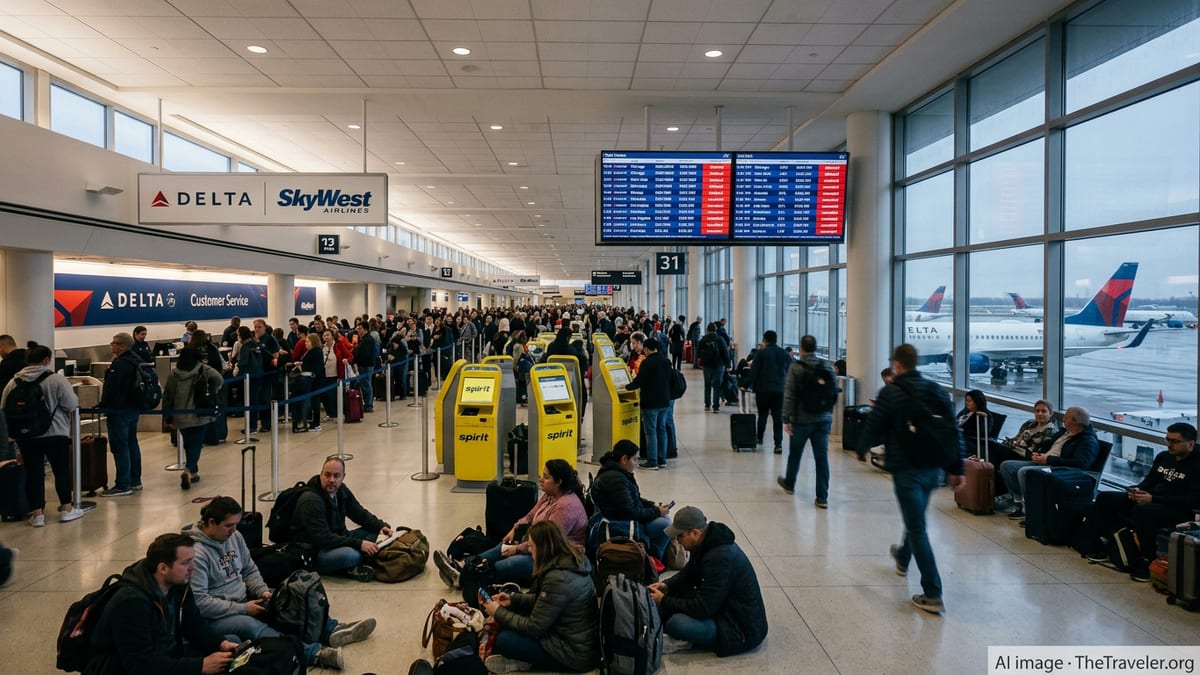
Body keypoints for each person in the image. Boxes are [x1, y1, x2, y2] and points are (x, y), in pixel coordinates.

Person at [185, 497, 375, 670]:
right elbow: (201, 604)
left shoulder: (234, 537)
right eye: (229, 526)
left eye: (236, 524)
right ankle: (313, 653)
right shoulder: (197, 554)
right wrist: (243, 608)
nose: (234, 531)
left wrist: (262, 592)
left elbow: (249, 569)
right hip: (215, 618)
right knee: (251, 626)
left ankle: (330, 629)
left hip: (243, 599)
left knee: (288, 598)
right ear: (211, 523)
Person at [859, 343, 965, 614]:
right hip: (932, 469)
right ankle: (903, 557)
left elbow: (874, 423)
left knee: (917, 526)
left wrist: (862, 448)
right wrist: (957, 468)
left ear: (897, 364)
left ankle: (933, 592)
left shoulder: (891, 392)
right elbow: (953, 430)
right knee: (915, 517)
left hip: (906, 468)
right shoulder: (934, 389)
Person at [87, 533, 239, 674]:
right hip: (126, 669)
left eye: (192, 560)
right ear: (163, 568)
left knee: (231, 644)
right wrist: (200, 665)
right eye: (186, 562)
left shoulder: (179, 584)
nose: (193, 567)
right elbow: (139, 664)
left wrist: (219, 643)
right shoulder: (131, 603)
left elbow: (193, 624)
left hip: (165, 654)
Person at [434, 459, 588, 588]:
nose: (541, 479)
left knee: (509, 564)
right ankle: (461, 566)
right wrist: (515, 528)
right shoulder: (550, 495)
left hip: (556, 558)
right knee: (501, 547)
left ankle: (464, 579)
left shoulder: (566, 507)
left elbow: (548, 543)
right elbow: (530, 515)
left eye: (546, 477)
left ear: (558, 482)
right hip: (537, 547)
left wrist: (517, 549)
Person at [1078, 423, 1199, 582]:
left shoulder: (1196, 465)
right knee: (1106, 499)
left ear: (1190, 444)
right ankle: (1097, 544)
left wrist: (1152, 499)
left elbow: (1192, 500)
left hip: (1178, 509)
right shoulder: (1164, 456)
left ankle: (1146, 559)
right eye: (1167, 440)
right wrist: (1136, 490)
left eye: (1175, 441)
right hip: (1153, 499)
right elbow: (1149, 482)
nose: (1169, 444)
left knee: (1143, 511)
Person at [480, 520, 599, 673]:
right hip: (573, 641)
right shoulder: (569, 562)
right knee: (510, 618)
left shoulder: (558, 578)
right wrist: (513, 599)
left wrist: (497, 612)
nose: (529, 550)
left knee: (504, 640)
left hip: (572, 656)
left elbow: (533, 627)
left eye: (532, 546)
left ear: (543, 548)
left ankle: (526, 662)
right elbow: (546, 602)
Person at [650, 505, 768, 656]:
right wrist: (667, 585)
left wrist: (665, 601)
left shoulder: (719, 558)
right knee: (671, 602)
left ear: (695, 533)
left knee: (676, 624)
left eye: (679, 536)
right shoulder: (705, 542)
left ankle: (690, 639)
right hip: (723, 607)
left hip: (741, 629)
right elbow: (689, 572)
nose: (677, 541)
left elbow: (703, 608)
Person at [0, 344, 83, 525]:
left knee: (33, 472)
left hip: (26, 435)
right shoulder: (56, 380)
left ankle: (37, 514)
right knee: (61, 470)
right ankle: (67, 509)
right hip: (55, 433)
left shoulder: (14, 382)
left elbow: (4, 408)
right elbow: (70, 404)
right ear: (47, 360)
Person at [290, 456, 391, 582]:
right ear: (321, 474)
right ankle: (355, 562)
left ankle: (358, 561)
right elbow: (323, 538)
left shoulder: (341, 489)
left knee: (378, 534)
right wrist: (359, 544)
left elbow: (359, 513)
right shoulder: (311, 500)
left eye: (337, 476)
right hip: (315, 551)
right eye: (327, 475)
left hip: (338, 537)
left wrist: (380, 526)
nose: (331, 480)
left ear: (343, 477)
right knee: (350, 555)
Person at [999, 406, 1100, 522]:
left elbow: (1080, 463)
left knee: (1025, 472)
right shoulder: (1065, 433)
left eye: (1066, 417)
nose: (1064, 419)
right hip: (1045, 460)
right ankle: (1020, 502)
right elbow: (1048, 445)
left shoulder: (1087, 441)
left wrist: (1049, 460)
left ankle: (1030, 510)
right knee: (1007, 466)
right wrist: (1038, 453)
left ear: (1074, 421)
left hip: (1058, 469)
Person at [778, 335, 834, 507]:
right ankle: (822, 497)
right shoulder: (826, 366)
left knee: (795, 453)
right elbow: (832, 391)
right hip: (823, 419)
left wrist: (786, 418)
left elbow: (790, 394)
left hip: (801, 419)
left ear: (801, 348)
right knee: (821, 458)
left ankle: (789, 483)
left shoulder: (796, 367)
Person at [590, 440, 672, 559]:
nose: (636, 463)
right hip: (621, 524)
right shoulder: (615, 479)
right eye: (634, 459)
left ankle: (653, 554)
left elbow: (633, 499)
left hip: (624, 518)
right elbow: (630, 512)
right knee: (666, 524)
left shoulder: (618, 474)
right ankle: (654, 558)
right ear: (624, 459)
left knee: (664, 517)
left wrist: (653, 506)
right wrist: (656, 511)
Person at [163, 347, 223, 489]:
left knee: (189, 443)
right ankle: (189, 469)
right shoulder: (204, 369)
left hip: (181, 415)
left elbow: (168, 396)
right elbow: (219, 379)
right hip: (200, 413)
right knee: (196, 444)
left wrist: (168, 417)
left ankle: (194, 472)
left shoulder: (174, 374)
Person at [99, 332, 145, 496]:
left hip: (119, 410)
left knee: (120, 447)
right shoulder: (136, 360)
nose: (112, 345)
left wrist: (102, 406)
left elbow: (111, 389)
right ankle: (135, 480)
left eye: (115, 343)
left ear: (123, 346)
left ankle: (123, 484)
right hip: (133, 408)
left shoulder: (120, 364)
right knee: (132, 443)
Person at [990, 400, 1059, 504]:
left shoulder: (1051, 430)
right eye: (1037, 411)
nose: (1040, 414)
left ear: (1051, 414)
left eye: (1043, 411)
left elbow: (1038, 452)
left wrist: (1019, 445)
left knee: (995, 451)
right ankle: (996, 490)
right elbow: (1016, 439)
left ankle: (1014, 496)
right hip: (1018, 451)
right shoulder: (1029, 423)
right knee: (992, 449)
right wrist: (1016, 444)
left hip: (1029, 457)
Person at [742, 330, 791, 454]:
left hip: (763, 390)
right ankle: (778, 444)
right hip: (779, 390)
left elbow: (754, 372)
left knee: (762, 414)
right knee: (777, 417)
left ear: (765, 340)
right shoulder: (784, 354)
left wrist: (745, 385)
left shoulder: (760, 354)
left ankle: (759, 437)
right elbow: (792, 369)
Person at [625, 338, 671, 469]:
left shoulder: (647, 363)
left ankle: (652, 461)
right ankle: (662, 460)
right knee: (661, 430)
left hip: (651, 402)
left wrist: (626, 387)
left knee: (650, 432)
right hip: (664, 401)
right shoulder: (666, 361)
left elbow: (639, 381)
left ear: (646, 349)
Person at [697, 323, 728, 413]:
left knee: (707, 385)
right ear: (715, 330)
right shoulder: (720, 339)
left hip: (707, 365)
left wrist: (701, 360)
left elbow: (698, 352)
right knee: (717, 386)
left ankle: (707, 405)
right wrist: (728, 365)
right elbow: (725, 352)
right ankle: (716, 407)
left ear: (707, 330)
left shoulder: (703, 339)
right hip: (718, 365)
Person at [352, 323, 376, 413]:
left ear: (365, 329)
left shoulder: (367, 340)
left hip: (366, 365)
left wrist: (356, 360)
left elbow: (366, 354)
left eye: (360, 329)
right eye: (357, 329)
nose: (358, 331)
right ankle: (367, 403)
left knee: (366, 385)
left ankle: (368, 405)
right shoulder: (365, 339)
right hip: (365, 365)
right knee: (366, 384)